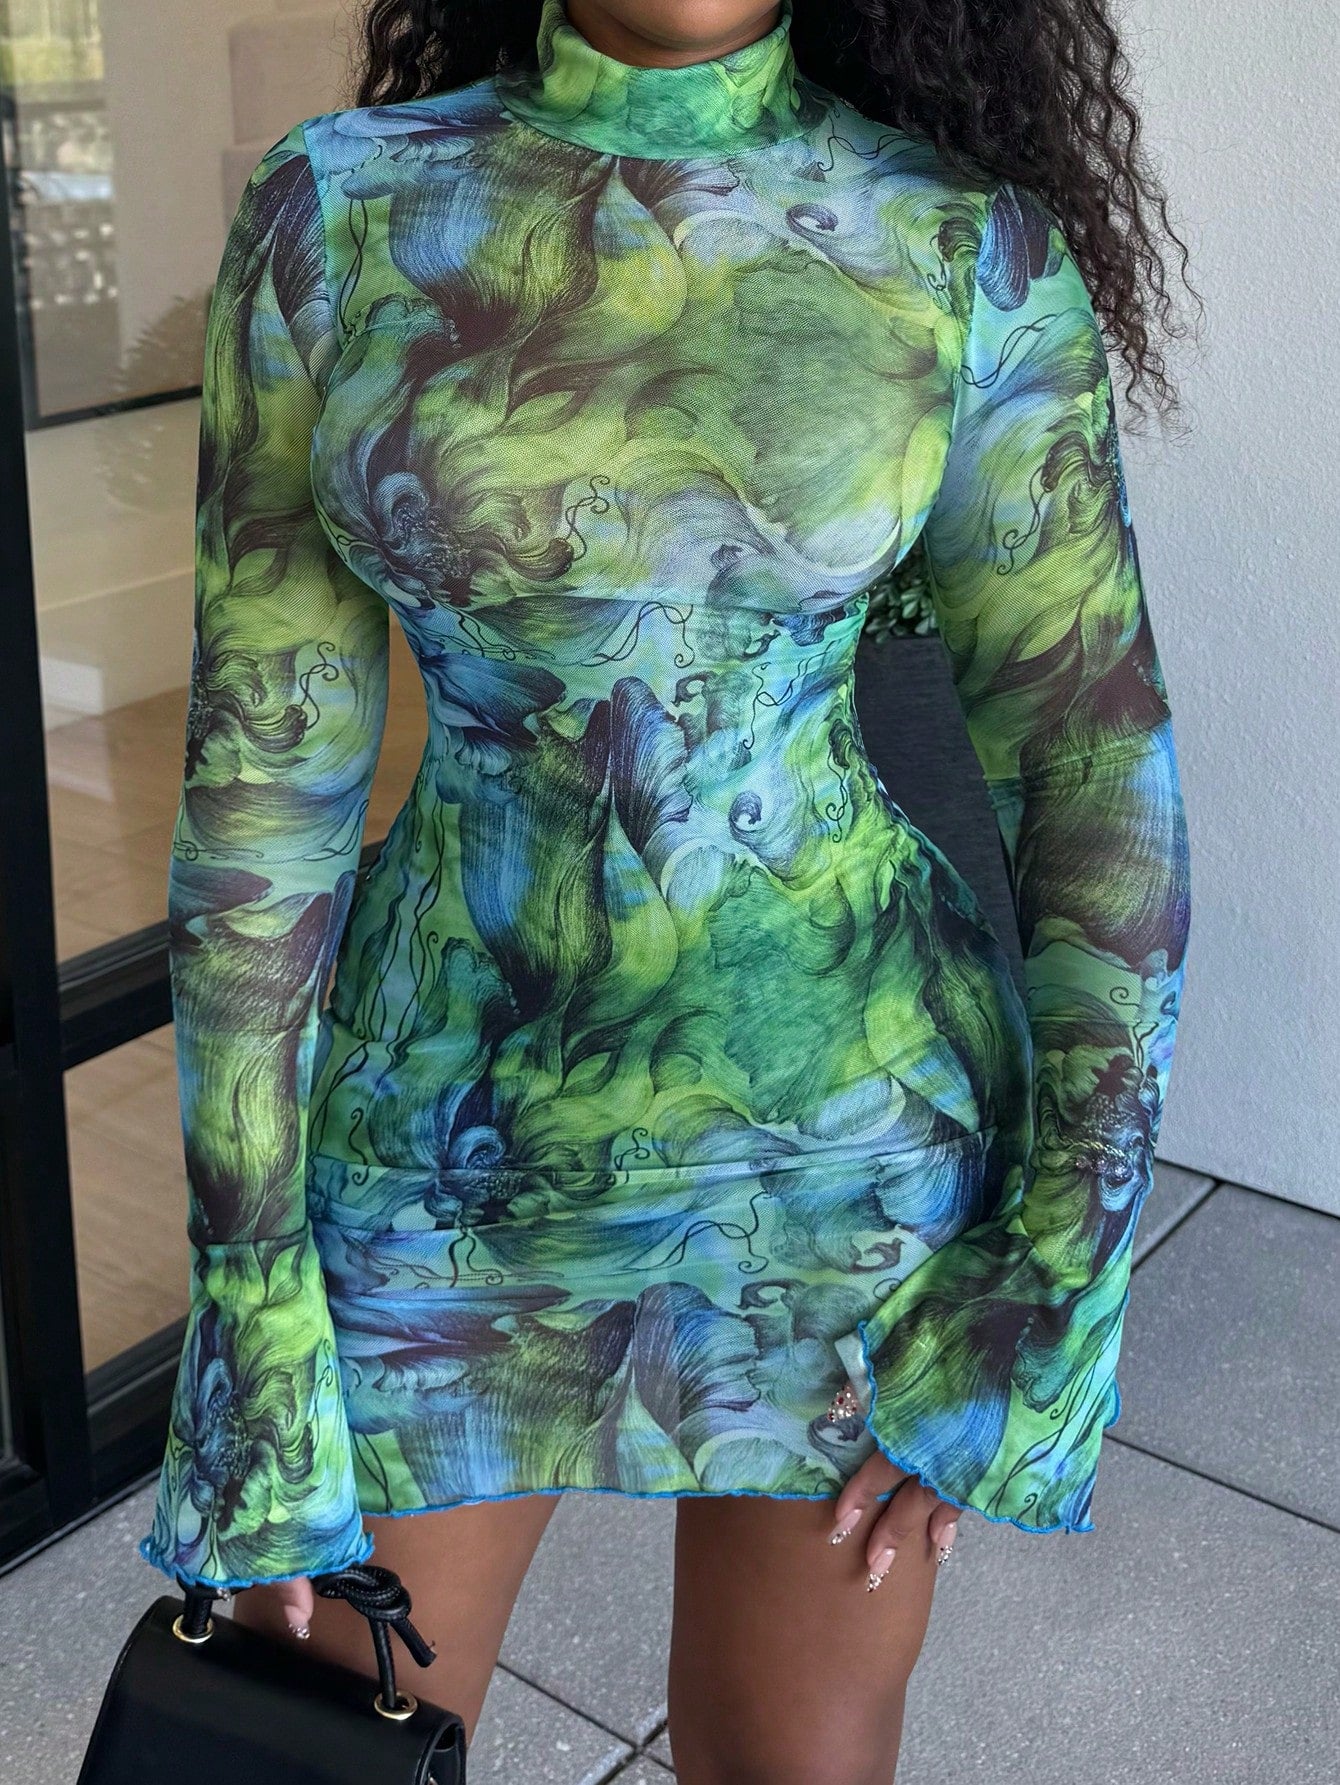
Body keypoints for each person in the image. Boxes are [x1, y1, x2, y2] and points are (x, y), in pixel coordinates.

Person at [138, 0, 1194, 1776]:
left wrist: (1058, 1266)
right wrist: (248, 1298)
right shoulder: (340, 209)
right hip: (437, 1149)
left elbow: (1098, 775)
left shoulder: (961, 244)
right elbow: (261, 797)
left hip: (848, 1156)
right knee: (294, 1745)